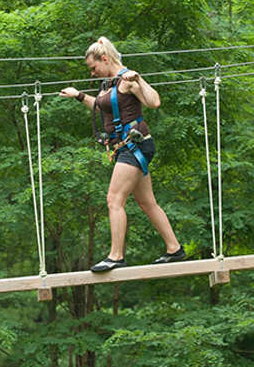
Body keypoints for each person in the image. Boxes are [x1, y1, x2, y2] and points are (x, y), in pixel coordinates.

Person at [59, 37, 185, 272]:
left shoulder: (127, 79)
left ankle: (116, 256)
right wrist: (78, 95)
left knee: (114, 200)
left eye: (94, 67)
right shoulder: (109, 83)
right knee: (147, 202)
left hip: (134, 146)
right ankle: (174, 248)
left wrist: (138, 79)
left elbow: (154, 102)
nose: (93, 73)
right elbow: (100, 105)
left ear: (105, 59)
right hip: (126, 148)